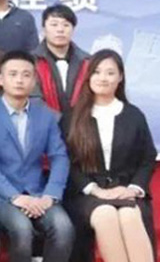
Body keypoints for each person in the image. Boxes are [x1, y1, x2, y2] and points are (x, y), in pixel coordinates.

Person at [0, 50, 75, 262]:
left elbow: (59, 157)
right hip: (1, 196)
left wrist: (50, 195)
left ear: (34, 80)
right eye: (13, 74)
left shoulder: (46, 115)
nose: (19, 80)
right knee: (21, 229)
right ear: (0, 79)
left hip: (38, 194)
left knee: (63, 228)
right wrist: (15, 197)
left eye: (26, 75)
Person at [61, 49, 156, 262]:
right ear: (88, 76)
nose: (103, 78)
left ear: (120, 77)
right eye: (97, 72)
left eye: (110, 73)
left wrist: (133, 188)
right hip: (86, 194)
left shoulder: (134, 115)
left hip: (126, 190)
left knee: (129, 214)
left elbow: (147, 158)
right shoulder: (72, 117)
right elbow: (66, 161)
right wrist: (95, 189)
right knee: (106, 214)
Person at [33, 3, 90, 113]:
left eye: (66, 25)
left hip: (80, 121)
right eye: (54, 25)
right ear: (44, 29)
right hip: (43, 121)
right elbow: (32, 99)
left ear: (73, 29)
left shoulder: (87, 61)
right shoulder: (31, 61)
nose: (60, 30)